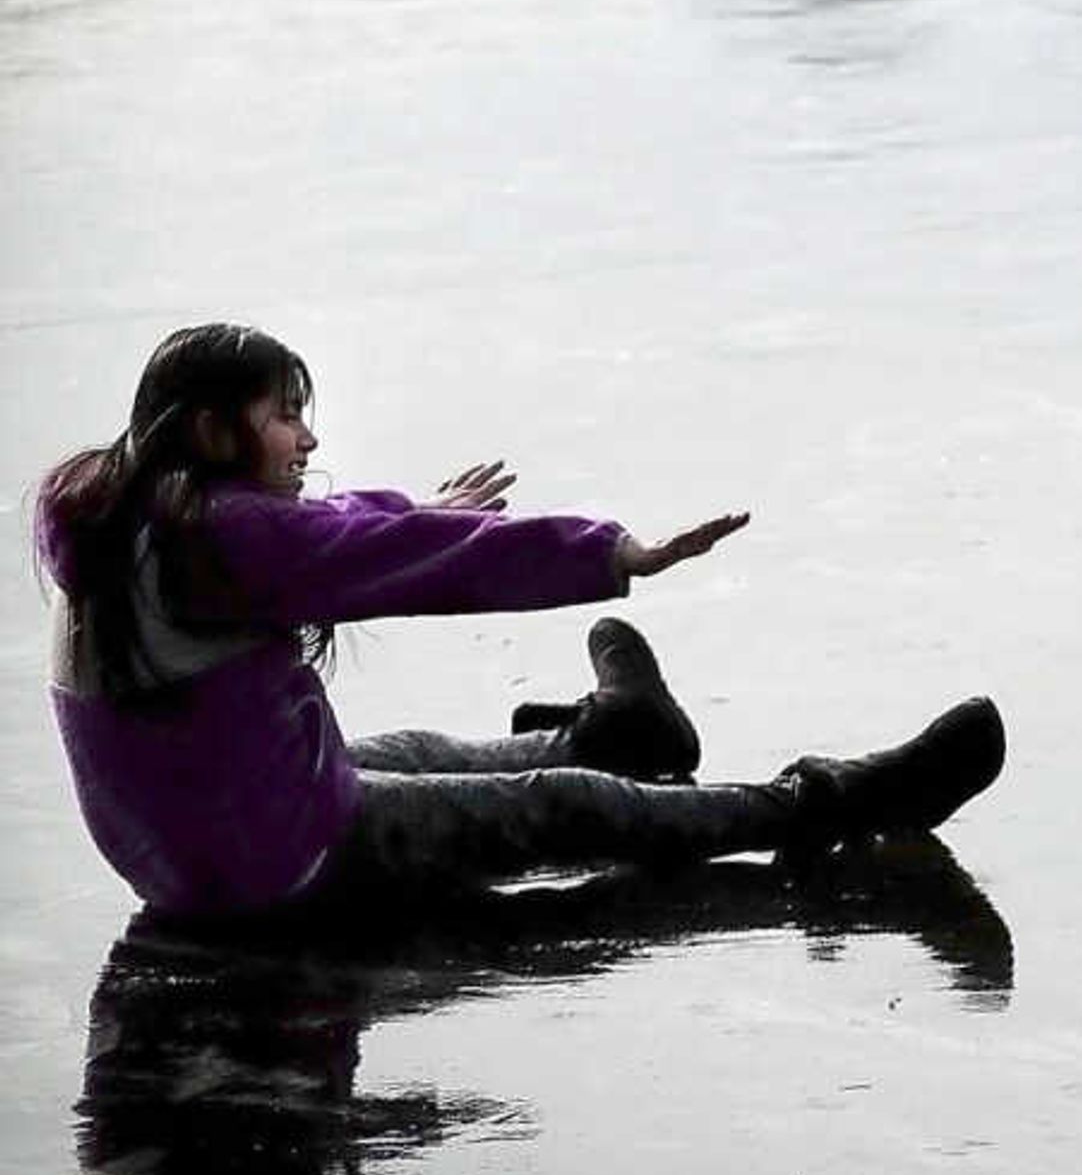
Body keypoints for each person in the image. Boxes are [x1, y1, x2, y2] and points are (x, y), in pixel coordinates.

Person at [34, 322, 1006, 919]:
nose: (309, 436)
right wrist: (613, 552)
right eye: (284, 413)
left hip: (201, 854)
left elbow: (322, 536)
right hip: (277, 869)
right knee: (569, 806)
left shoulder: (120, 522)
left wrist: (416, 514)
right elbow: (397, 561)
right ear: (212, 431)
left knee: (410, 746)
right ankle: (827, 801)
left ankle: (619, 729)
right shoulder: (224, 545)